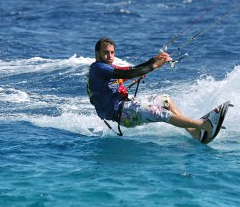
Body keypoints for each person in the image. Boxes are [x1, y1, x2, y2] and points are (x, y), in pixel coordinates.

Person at [86, 37, 218, 143]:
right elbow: (128, 75)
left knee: (166, 101)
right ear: (98, 54)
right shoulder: (99, 68)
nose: (110, 55)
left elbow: (132, 70)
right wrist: (154, 66)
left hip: (126, 105)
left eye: (112, 52)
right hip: (122, 114)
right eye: (106, 52)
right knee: (159, 113)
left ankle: (194, 132)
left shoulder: (107, 67)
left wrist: (153, 60)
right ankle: (202, 125)